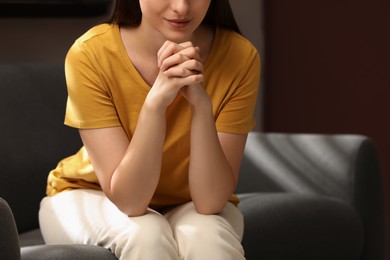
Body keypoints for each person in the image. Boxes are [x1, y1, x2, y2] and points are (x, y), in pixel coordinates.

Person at [38, 0, 260, 259]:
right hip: (89, 194)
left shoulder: (239, 56)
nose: (181, 7)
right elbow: (131, 201)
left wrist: (200, 105)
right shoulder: (90, 53)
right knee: (147, 233)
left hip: (189, 202)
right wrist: (155, 103)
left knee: (206, 236)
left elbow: (210, 202)